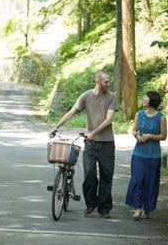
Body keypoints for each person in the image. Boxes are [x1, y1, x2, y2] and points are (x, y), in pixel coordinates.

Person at [49, 71, 119, 218]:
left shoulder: (112, 97)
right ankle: (91, 203)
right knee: (89, 174)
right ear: (99, 82)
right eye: (106, 81)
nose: (108, 84)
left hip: (107, 143)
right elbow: (71, 112)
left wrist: (93, 132)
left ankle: (104, 208)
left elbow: (109, 120)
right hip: (91, 144)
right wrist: (56, 127)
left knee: (107, 175)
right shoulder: (86, 96)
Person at [125, 91, 167, 220]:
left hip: (153, 155)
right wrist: (136, 135)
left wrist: (150, 136)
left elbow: (163, 136)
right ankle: (137, 209)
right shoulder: (139, 114)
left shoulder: (161, 117)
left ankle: (148, 208)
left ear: (151, 100)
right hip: (138, 154)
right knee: (137, 180)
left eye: (145, 98)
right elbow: (134, 129)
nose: (143, 99)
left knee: (151, 182)